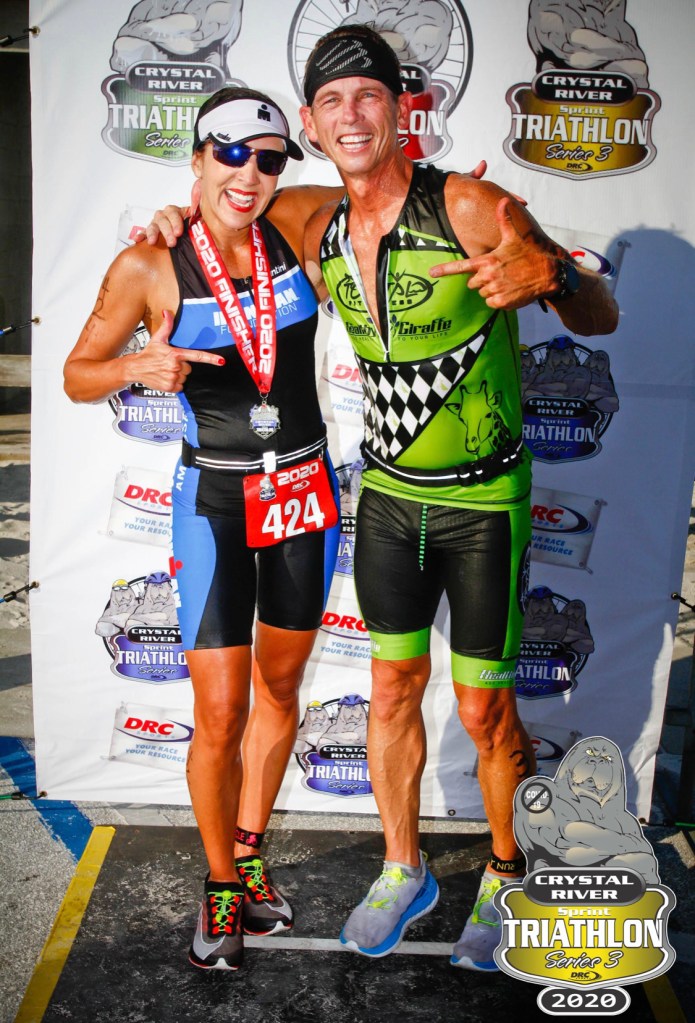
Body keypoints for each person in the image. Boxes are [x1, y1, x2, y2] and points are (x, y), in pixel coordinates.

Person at [146, 23, 618, 972]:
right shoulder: (309, 215)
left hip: (483, 503)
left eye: (368, 95)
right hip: (391, 500)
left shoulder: (472, 204)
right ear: (313, 125)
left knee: (485, 712)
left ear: (404, 109)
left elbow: (597, 313)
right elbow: (219, 214)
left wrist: (560, 274)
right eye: (331, 101)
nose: (350, 114)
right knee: (391, 689)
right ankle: (404, 867)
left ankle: (502, 870)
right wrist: (168, 220)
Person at [63, 86, 346, 971]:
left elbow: (380, 189)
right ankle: (221, 881)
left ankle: (250, 853)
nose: (248, 173)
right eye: (229, 153)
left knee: (280, 690)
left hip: (304, 492)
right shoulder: (150, 263)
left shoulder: (293, 222)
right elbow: (76, 373)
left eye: (267, 157)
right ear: (196, 158)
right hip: (216, 501)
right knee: (219, 711)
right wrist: (135, 366)